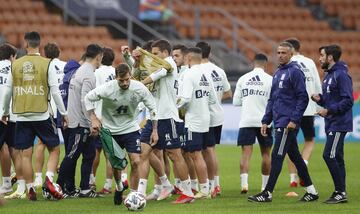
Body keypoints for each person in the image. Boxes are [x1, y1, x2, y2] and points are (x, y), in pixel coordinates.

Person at [248, 42, 318, 203]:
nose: (280, 55)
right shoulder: (278, 72)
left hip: (287, 123)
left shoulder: (295, 72)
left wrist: (294, 120)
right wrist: (266, 120)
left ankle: (267, 193)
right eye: (278, 52)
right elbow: (273, 99)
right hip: (279, 121)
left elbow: (302, 98)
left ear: (291, 54)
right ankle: (312, 191)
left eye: (283, 53)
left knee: (277, 155)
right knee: (296, 158)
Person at [1, 31, 68, 201]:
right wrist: (64, 113)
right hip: (42, 114)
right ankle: (49, 179)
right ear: (39, 44)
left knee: (24, 154)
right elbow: (54, 90)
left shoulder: (15, 64)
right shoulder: (47, 64)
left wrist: (4, 112)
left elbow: (8, 91)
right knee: (54, 148)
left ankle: (30, 188)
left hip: (22, 116)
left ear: (25, 44)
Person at [85, 63, 158, 205]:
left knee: (136, 161)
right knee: (117, 165)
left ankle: (133, 194)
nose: (125, 83)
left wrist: (155, 130)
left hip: (131, 128)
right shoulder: (107, 89)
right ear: (116, 78)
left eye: (127, 80)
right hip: (110, 131)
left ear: (130, 76)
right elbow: (88, 98)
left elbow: (152, 106)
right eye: (121, 80)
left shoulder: (139, 88)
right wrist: (93, 117)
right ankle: (119, 186)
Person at [136, 39, 194, 203]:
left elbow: (156, 75)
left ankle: (188, 192)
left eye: (156, 54)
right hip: (154, 117)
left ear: (164, 53)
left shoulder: (169, 63)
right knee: (145, 151)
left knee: (175, 155)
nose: (153, 57)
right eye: (152, 54)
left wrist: (140, 84)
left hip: (168, 117)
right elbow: (143, 71)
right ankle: (149, 190)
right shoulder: (159, 64)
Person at [57, 44, 103, 198]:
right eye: (100, 58)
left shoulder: (79, 70)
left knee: (89, 155)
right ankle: (55, 186)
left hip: (76, 120)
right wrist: (92, 121)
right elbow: (85, 99)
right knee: (71, 155)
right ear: (98, 56)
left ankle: (84, 188)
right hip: (80, 123)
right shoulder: (88, 74)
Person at [312, 44, 353, 204]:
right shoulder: (329, 75)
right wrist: (320, 99)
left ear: (330, 57)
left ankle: (339, 192)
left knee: (328, 155)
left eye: (322, 55)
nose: (319, 58)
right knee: (338, 158)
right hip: (332, 122)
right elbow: (332, 99)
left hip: (339, 123)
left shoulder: (341, 75)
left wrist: (328, 111)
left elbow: (348, 100)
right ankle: (341, 192)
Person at [177, 47, 217, 200]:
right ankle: (210, 187)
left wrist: (175, 106)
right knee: (205, 152)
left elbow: (185, 98)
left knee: (195, 154)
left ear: (188, 59)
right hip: (206, 117)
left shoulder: (188, 74)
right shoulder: (207, 74)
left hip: (193, 119)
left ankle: (204, 190)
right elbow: (213, 99)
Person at [284, 38, 322, 187]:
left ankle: (293, 179)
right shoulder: (310, 62)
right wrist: (319, 107)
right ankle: (303, 166)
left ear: (289, 49)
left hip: (292, 111)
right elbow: (317, 85)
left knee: (290, 144)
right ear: (299, 48)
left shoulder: (287, 64)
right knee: (309, 141)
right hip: (309, 109)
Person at [196, 41, 232, 197]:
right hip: (218, 115)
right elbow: (228, 94)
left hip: (204, 115)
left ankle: (210, 185)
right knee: (211, 150)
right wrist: (216, 99)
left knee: (205, 151)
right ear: (209, 54)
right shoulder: (219, 70)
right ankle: (215, 184)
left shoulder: (197, 70)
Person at [233, 53, 273, 194]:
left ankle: (244, 185)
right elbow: (274, 102)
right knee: (266, 154)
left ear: (253, 63)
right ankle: (265, 187)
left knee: (246, 154)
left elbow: (236, 102)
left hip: (246, 121)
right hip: (265, 122)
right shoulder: (270, 80)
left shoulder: (243, 79)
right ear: (266, 64)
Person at [34, 42, 67, 188]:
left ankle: (39, 178)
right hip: (65, 108)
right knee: (65, 144)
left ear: (45, 54)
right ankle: (62, 175)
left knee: (42, 143)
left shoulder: (43, 66)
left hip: (48, 109)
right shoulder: (66, 66)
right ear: (59, 52)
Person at [89, 47, 117, 194]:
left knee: (95, 152)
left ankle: (91, 182)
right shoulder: (116, 72)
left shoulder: (96, 72)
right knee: (110, 154)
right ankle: (108, 185)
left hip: (99, 117)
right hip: (113, 118)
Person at [172, 44, 199, 194]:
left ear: (185, 56)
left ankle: (193, 185)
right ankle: (179, 184)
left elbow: (184, 98)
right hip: (175, 116)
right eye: (173, 55)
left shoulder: (187, 73)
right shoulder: (174, 71)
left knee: (186, 153)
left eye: (177, 56)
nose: (174, 58)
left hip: (183, 117)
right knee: (177, 152)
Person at [0, 43, 18, 196]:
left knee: (3, 147)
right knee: (14, 148)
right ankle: (24, 184)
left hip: (1, 113)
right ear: (12, 56)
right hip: (14, 113)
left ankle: (6, 183)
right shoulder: (15, 69)